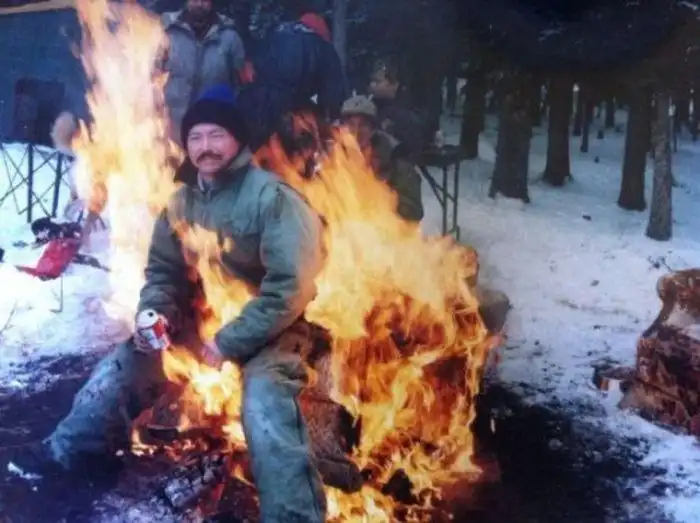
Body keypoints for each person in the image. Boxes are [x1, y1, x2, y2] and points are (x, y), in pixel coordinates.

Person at [10, 85, 327, 523]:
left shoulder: (273, 199)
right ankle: (71, 452)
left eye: (216, 135)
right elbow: (163, 272)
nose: (205, 146)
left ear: (237, 139)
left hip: (272, 331)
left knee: (265, 405)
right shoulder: (181, 201)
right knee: (125, 364)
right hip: (201, 320)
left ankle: (294, 515)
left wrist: (231, 340)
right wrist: (154, 312)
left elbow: (291, 288)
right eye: (196, 137)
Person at [237, 12, 347, 152]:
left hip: (251, 106)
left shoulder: (270, 36)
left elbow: (246, 70)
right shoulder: (323, 47)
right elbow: (333, 96)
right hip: (290, 112)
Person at [160, 0, 246, 145]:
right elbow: (150, 76)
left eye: (204, 0)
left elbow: (239, 86)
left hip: (209, 134)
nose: (199, 4)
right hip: (168, 132)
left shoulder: (229, 38)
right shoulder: (166, 31)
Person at [340, 95, 424, 222]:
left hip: (383, 228)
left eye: (363, 125)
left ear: (373, 130)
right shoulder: (333, 160)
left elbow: (414, 210)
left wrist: (381, 198)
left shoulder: (394, 160)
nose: (356, 131)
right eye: (351, 124)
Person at [368, 57, 432, 159]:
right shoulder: (369, 106)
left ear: (394, 84)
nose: (372, 85)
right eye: (372, 81)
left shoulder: (404, 114)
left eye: (378, 82)